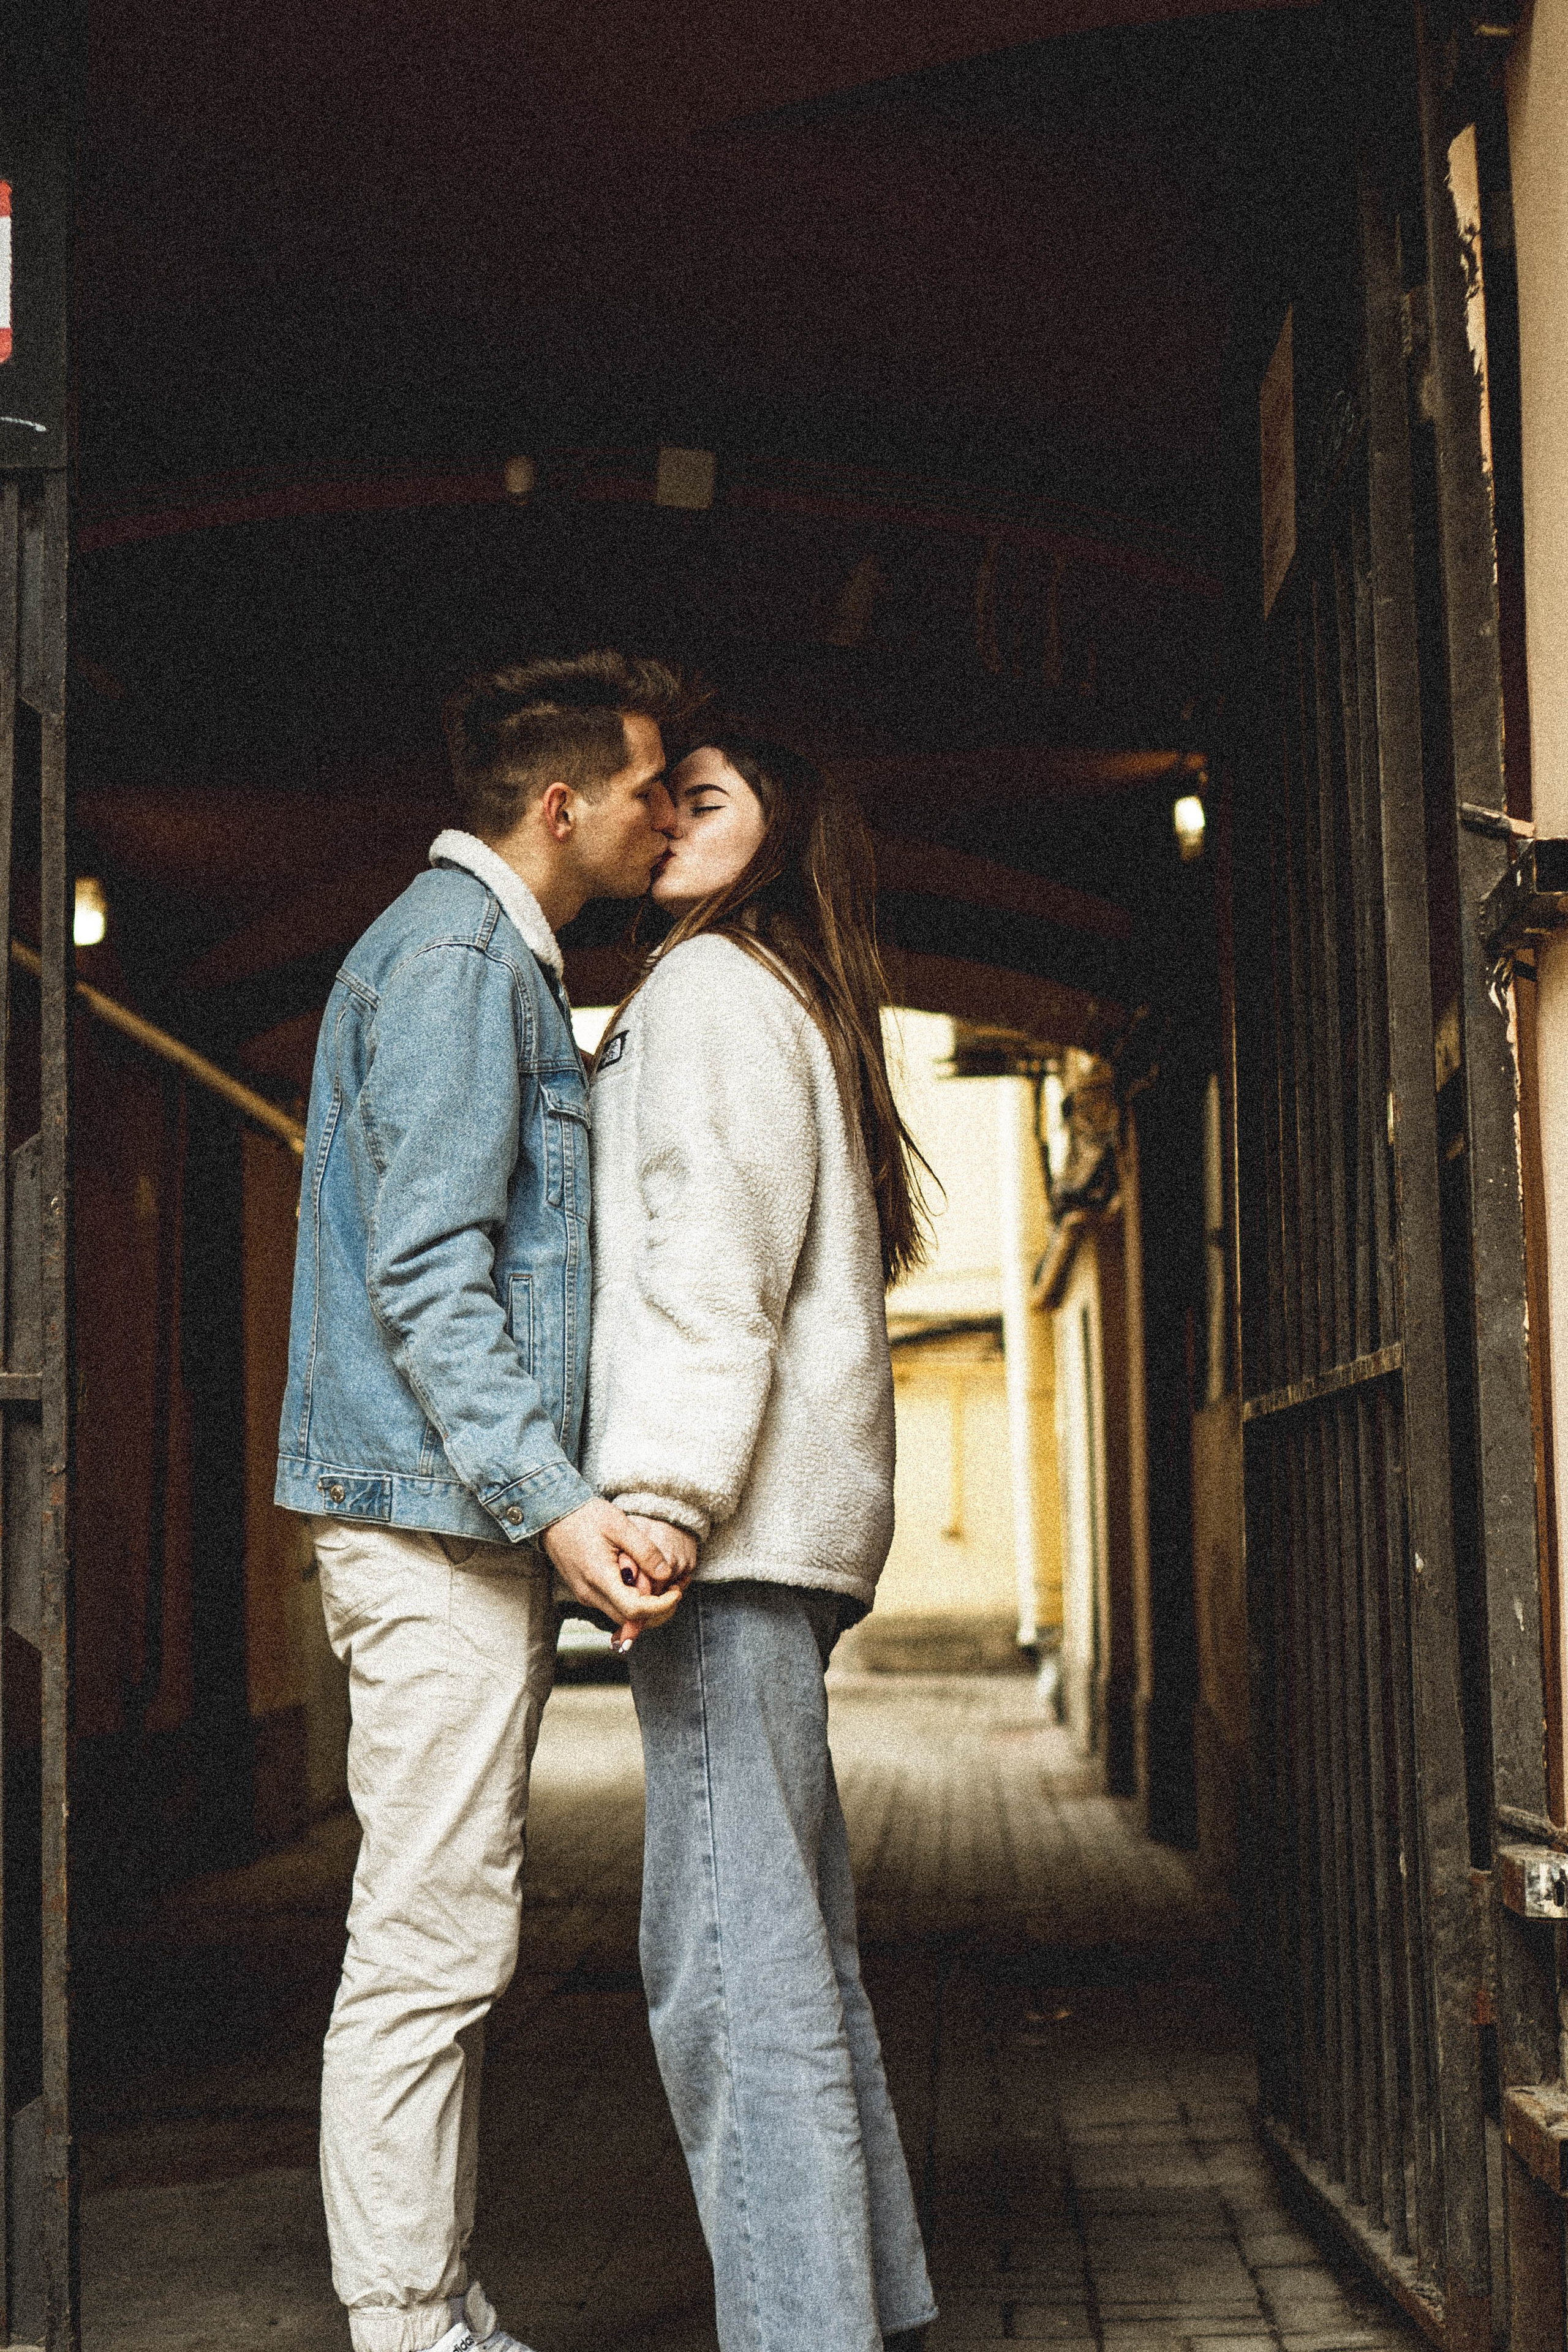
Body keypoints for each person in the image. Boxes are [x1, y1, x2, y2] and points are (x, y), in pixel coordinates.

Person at [274, 650, 700, 2352]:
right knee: (431, 1943)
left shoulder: (477, 960)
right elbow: (434, 1278)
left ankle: (423, 2306)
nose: (667, 812)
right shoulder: (460, 964)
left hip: (442, 1519)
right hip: (438, 1528)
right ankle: (405, 2323)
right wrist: (558, 1508)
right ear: (562, 805)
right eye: (651, 787)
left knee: (445, 1928)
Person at [583, 736, 938, 2352]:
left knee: (729, 1970)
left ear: (783, 831)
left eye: (705, 797)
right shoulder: (781, 996)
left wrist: (658, 1494)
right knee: (798, 1960)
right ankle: (868, 2314)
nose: (667, 818)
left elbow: (709, 1267)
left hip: (724, 1541)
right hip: (780, 1536)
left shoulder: (714, 994)